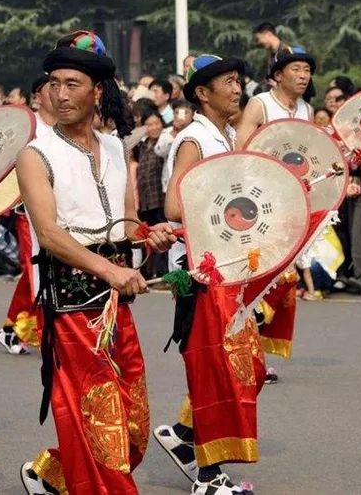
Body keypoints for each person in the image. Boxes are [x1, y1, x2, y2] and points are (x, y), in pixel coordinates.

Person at [17, 30, 175, 494]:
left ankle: (54, 473)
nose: (60, 94)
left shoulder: (113, 148)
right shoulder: (36, 154)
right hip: (71, 308)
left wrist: (148, 237)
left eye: (72, 84)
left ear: (97, 91)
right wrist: (111, 270)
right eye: (54, 83)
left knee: (134, 423)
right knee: (103, 425)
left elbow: (122, 228)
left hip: (116, 305)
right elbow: (49, 234)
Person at [154, 54, 259, 494]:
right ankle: (207, 476)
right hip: (203, 273)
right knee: (215, 370)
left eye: (238, 81)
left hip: (230, 270)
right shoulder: (195, 139)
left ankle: (183, 435)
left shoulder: (227, 135)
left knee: (245, 363)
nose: (237, 89)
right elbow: (175, 208)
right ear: (202, 92)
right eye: (229, 82)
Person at [0, 74, 58, 356]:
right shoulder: (28, 129)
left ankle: (16, 327)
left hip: (60, 212)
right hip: (29, 214)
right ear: (37, 96)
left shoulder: (64, 128)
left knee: (45, 271)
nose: (59, 94)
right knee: (35, 272)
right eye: (52, 88)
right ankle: (34, 332)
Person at [236, 44, 315, 148]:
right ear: (278, 75)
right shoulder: (260, 104)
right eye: (296, 69)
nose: (303, 76)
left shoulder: (307, 110)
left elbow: (307, 148)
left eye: (307, 70)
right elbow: (241, 148)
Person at [133, 108, 168, 278]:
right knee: (148, 236)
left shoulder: (164, 144)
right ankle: (149, 273)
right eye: (149, 124)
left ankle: (163, 273)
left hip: (161, 199)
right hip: (146, 200)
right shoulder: (142, 146)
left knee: (163, 236)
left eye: (156, 123)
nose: (153, 127)